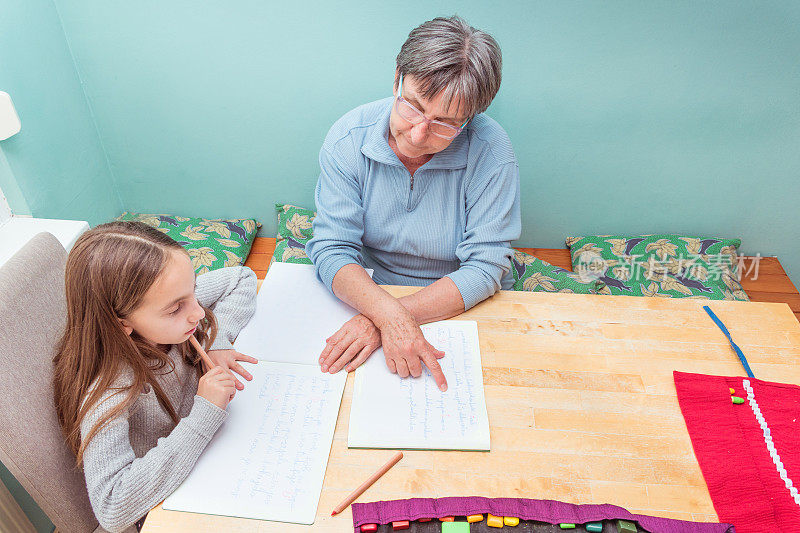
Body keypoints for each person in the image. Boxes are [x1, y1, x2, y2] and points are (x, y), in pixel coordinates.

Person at [307, 16, 521, 390]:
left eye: (445, 123)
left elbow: (487, 267)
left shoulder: (492, 150)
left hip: (455, 298)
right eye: (413, 106)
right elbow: (333, 248)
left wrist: (390, 319)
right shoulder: (347, 137)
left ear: (471, 118)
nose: (419, 133)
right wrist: (384, 312)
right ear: (397, 78)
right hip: (364, 292)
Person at [52, 221, 258, 532]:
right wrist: (204, 413)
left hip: (209, 461)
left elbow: (241, 278)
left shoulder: (168, 307)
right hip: (165, 507)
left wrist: (216, 342)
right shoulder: (110, 390)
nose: (198, 312)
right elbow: (112, 508)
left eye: (192, 294)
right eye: (176, 308)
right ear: (122, 323)